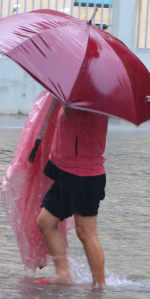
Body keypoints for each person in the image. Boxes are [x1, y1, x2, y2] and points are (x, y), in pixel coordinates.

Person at [35, 106, 109, 287]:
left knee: (86, 232)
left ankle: (99, 284)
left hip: (85, 175)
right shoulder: (75, 96)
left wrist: (66, 101)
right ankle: (63, 275)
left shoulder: (86, 101)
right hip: (66, 172)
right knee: (46, 221)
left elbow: (71, 118)